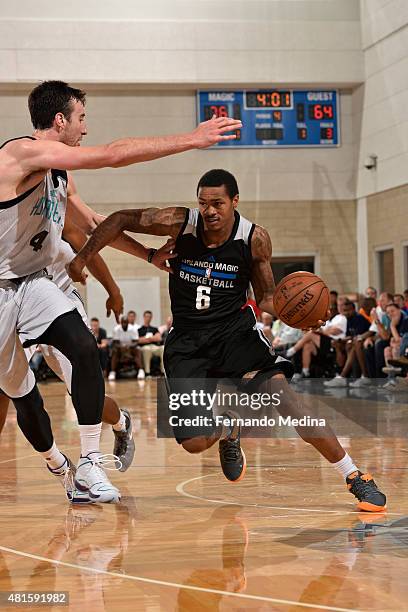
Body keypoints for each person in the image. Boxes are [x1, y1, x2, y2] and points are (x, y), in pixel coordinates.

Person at [70, 168, 387, 512]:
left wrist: (298, 315)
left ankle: (355, 477)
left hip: (236, 334)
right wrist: (83, 258)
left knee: (289, 403)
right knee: (192, 443)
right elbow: (119, 219)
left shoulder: (254, 238)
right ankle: (228, 425)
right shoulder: (180, 222)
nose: (209, 210)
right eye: (203, 202)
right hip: (187, 341)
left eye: (217, 203)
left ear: (235, 201)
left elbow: (266, 298)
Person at [0, 80, 240, 503]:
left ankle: (90, 464)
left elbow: (94, 225)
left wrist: (147, 256)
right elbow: (113, 155)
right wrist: (191, 139)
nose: (85, 129)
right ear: (60, 120)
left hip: (35, 283)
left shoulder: (60, 174)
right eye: (81, 118)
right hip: (2, 292)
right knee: (20, 396)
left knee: (84, 348)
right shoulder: (21, 153)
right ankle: (60, 466)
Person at [323, 300, 371, 387]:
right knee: (338, 344)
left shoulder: (359, 318)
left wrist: (348, 340)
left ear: (353, 309)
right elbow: (350, 336)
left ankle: (361, 376)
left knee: (352, 346)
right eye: (344, 311)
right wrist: (340, 340)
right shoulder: (349, 319)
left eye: (348, 310)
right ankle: (341, 374)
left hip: (366, 340)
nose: (345, 313)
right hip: (355, 341)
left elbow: (359, 335)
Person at [109, 316, 142, 381]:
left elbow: (136, 342)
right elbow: (115, 343)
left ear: (128, 322)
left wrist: (129, 346)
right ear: (121, 323)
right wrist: (122, 347)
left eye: (125, 322)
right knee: (114, 351)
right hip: (120, 348)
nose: (124, 324)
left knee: (137, 350)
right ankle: (112, 372)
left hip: (131, 348)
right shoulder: (116, 329)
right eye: (123, 322)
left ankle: (141, 370)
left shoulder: (133, 329)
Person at [137, 311, 165, 376]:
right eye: (146, 316)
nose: (148, 318)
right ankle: (147, 372)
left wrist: (146, 339)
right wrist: (152, 338)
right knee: (147, 350)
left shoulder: (154, 329)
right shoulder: (139, 330)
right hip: (144, 347)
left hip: (155, 347)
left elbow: (159, 338)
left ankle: (163, 371)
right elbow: (139, 340)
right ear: (144, 317)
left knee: (163, 348)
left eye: (149, 317)